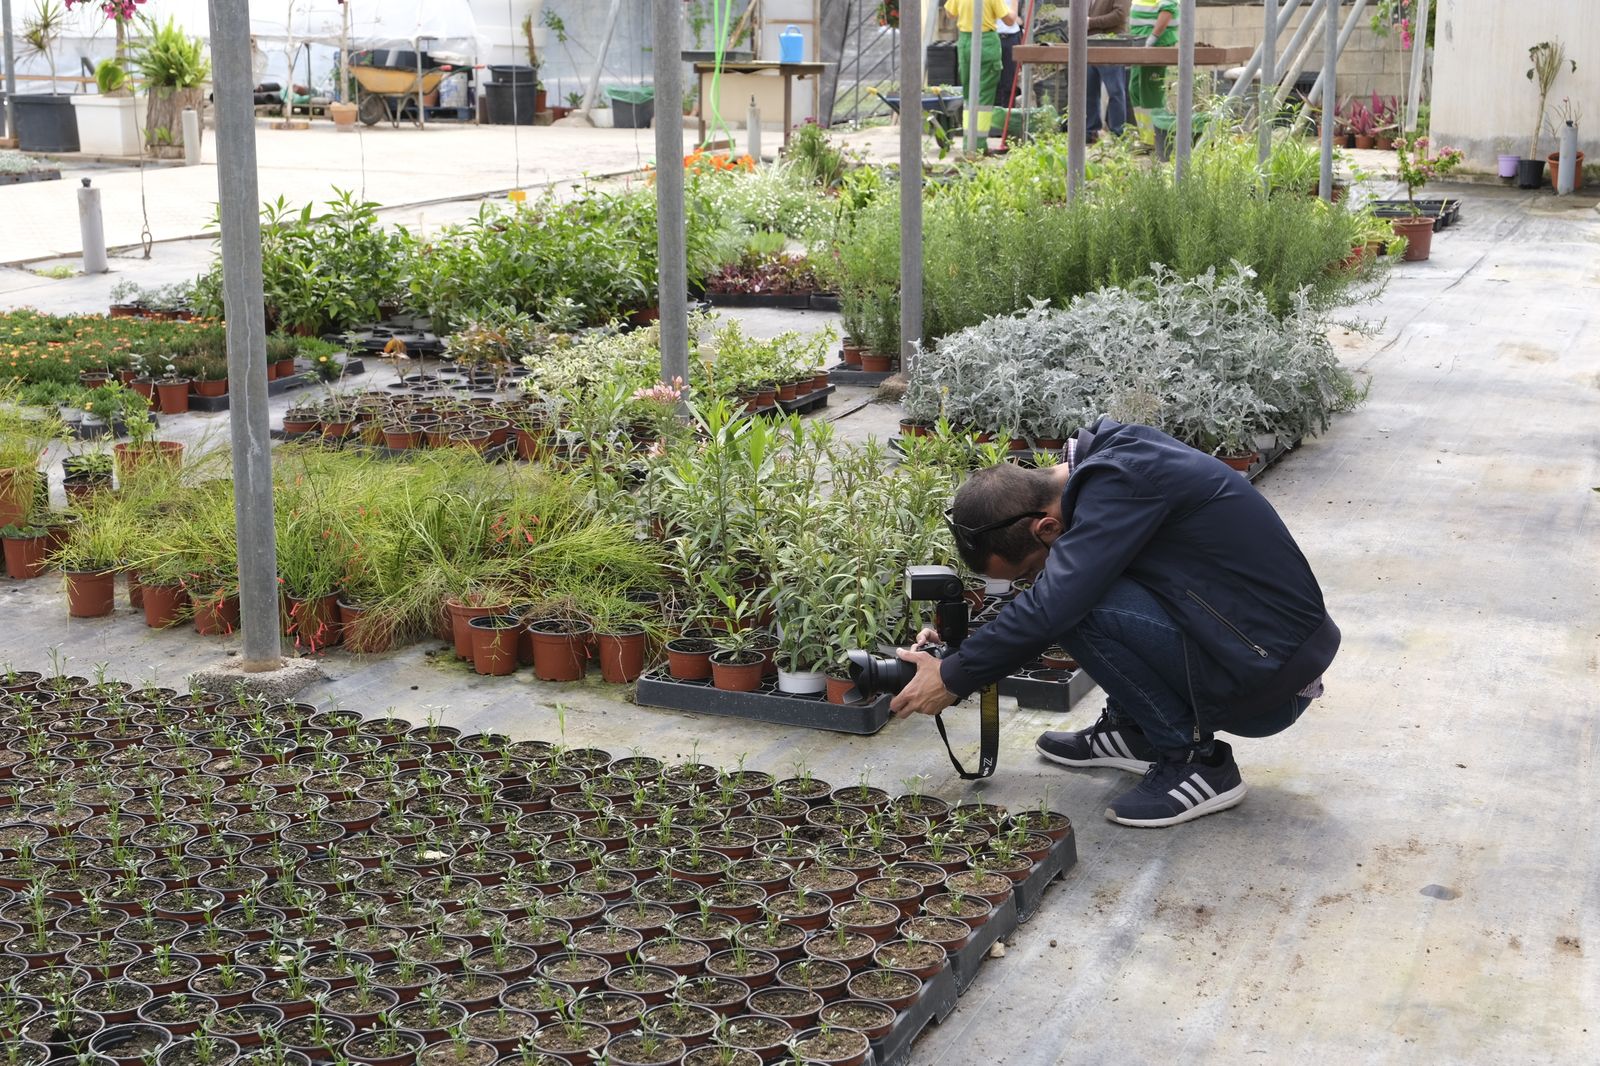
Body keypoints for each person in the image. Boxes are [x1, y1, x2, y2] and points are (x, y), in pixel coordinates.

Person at [888, 418, 1339, 828]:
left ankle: (1198, 762)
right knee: (1072, 590)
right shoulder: (1104, 474)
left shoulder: (1122, 480)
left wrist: (953, 676)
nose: (1029, 582)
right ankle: (1135, 731)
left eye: (1025, 572)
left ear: (1045, 528)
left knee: (1077, 605)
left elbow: (1055, 603)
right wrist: (953, 649)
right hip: (1254, 650)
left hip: (1268, 683)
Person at [944, 0, 1018, 131]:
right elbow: (1010, 20)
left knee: (969, 94)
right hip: (986, 42)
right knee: (984, 94)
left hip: (965, 41)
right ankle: (979, 143)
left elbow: (950, 14)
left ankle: (969, 142)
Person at [1127, 0, 1179, 146]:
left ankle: (1156, 139)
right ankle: (1146, 137)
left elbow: (1167, 10)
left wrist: (1153, 38)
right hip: (1139, 42)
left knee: (1151, 91)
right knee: (1135, 89)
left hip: (1156, 43)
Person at [1083, 0, 1132, 140]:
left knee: (1115, 90)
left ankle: (1118, 134)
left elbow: (1120, 15)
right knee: (1088, 91)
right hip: (1088, 44)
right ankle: (1089, 132)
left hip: (1111, 44)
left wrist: (1090, 22)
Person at [994, 6, 1022, 112]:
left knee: (1009, 81)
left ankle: (1006, 115)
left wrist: (1021, 18)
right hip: (990, 35)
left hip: (1011, 36)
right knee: (990, 79)